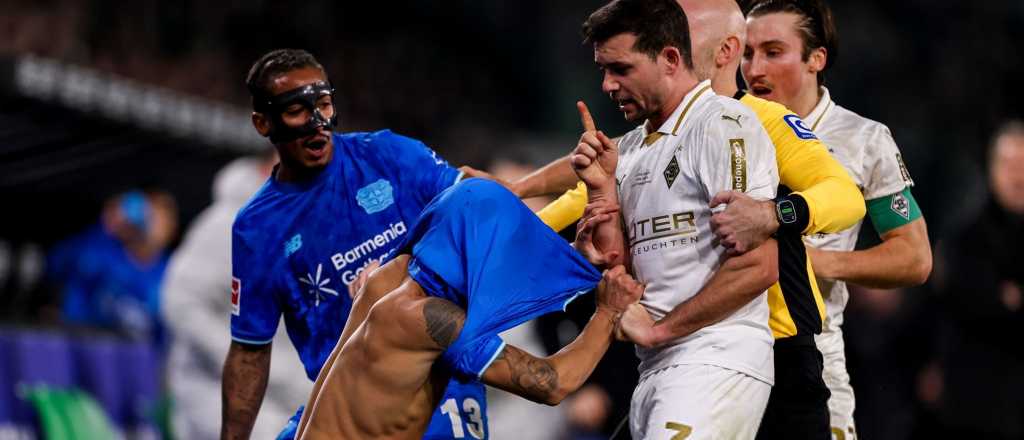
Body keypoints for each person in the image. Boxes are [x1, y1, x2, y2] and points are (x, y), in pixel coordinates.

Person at [221, 48, 485, 440]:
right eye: (297, 110)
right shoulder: (257, 228)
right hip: (345, 404)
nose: (317, 124)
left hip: (436, 384)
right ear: (263, 123)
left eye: (324, 105)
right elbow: (249, 350)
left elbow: (479, 216)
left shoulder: (390, 155)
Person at [572, 0, 781, 437]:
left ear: (669, 58)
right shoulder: (629, 149)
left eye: (622, 69)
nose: (608, 85)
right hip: (655, 368)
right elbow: (620, 268)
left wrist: (661, 331)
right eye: (603, 71)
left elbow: (758, 266)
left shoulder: (723, 125)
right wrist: (601, 188)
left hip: (715, 356)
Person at [295, 178, 643, 439]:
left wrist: (573, 255)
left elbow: (488, 273)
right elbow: (552, 384)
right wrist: (606, 314)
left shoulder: (391, 278)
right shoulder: (429, 319)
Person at [742, 1, 933, 438]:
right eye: (748, 53)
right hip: (719, 353)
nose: (754, 69)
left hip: (813, 354)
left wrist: (813, 262)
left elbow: (914, 257)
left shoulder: (862, 139)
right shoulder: (722, 127)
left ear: (816, 59)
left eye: (773, 52)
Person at [162, 154, 312, 440]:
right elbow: (180, 302)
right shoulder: (228, 223)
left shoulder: (305, 228)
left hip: (288, 397)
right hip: (219, 394)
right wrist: (246, 359)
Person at [938, 121, 1024, 439]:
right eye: (1008, 164)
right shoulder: (967, 237)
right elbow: (970, 303)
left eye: (1023, 165)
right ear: (991, 168)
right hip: (980, 406)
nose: (1017, 175)